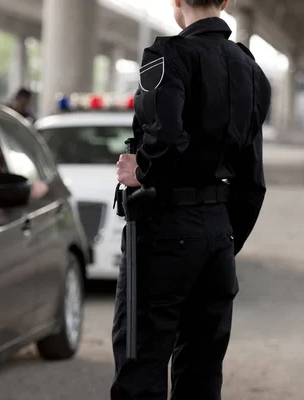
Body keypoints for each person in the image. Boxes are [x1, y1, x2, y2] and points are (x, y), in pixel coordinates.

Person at [112, 1, 271, 399]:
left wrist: (141, 169)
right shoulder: (250, 69)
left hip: (164, 231)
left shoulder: (167, 56)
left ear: (177, 2)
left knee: (141, 368)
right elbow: (253, 179)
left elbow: (165, 138)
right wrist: (225, 236)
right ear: (226, 2)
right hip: (219, 236)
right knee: (202, 375)